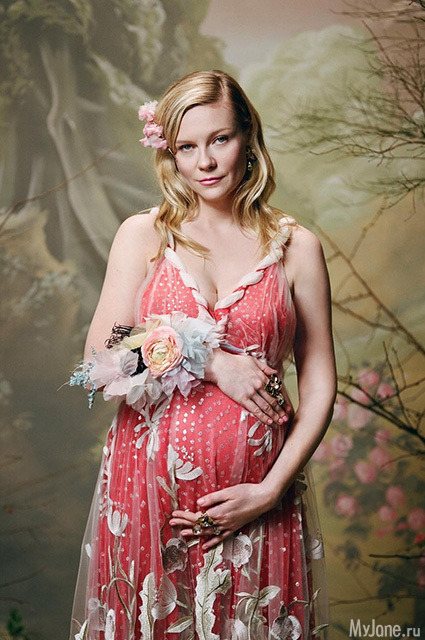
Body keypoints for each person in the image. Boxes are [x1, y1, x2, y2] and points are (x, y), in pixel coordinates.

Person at [70, 70, 336, 640]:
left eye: (220, 139)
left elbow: (319, 385)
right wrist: (211, 362)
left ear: (247, 136)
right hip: (148, 496)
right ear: (169, 153)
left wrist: (269, 490)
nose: (206, 162)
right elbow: (99, 361)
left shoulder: (297, 247)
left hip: (256, 500)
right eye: (187, 147)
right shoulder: (144, 235)